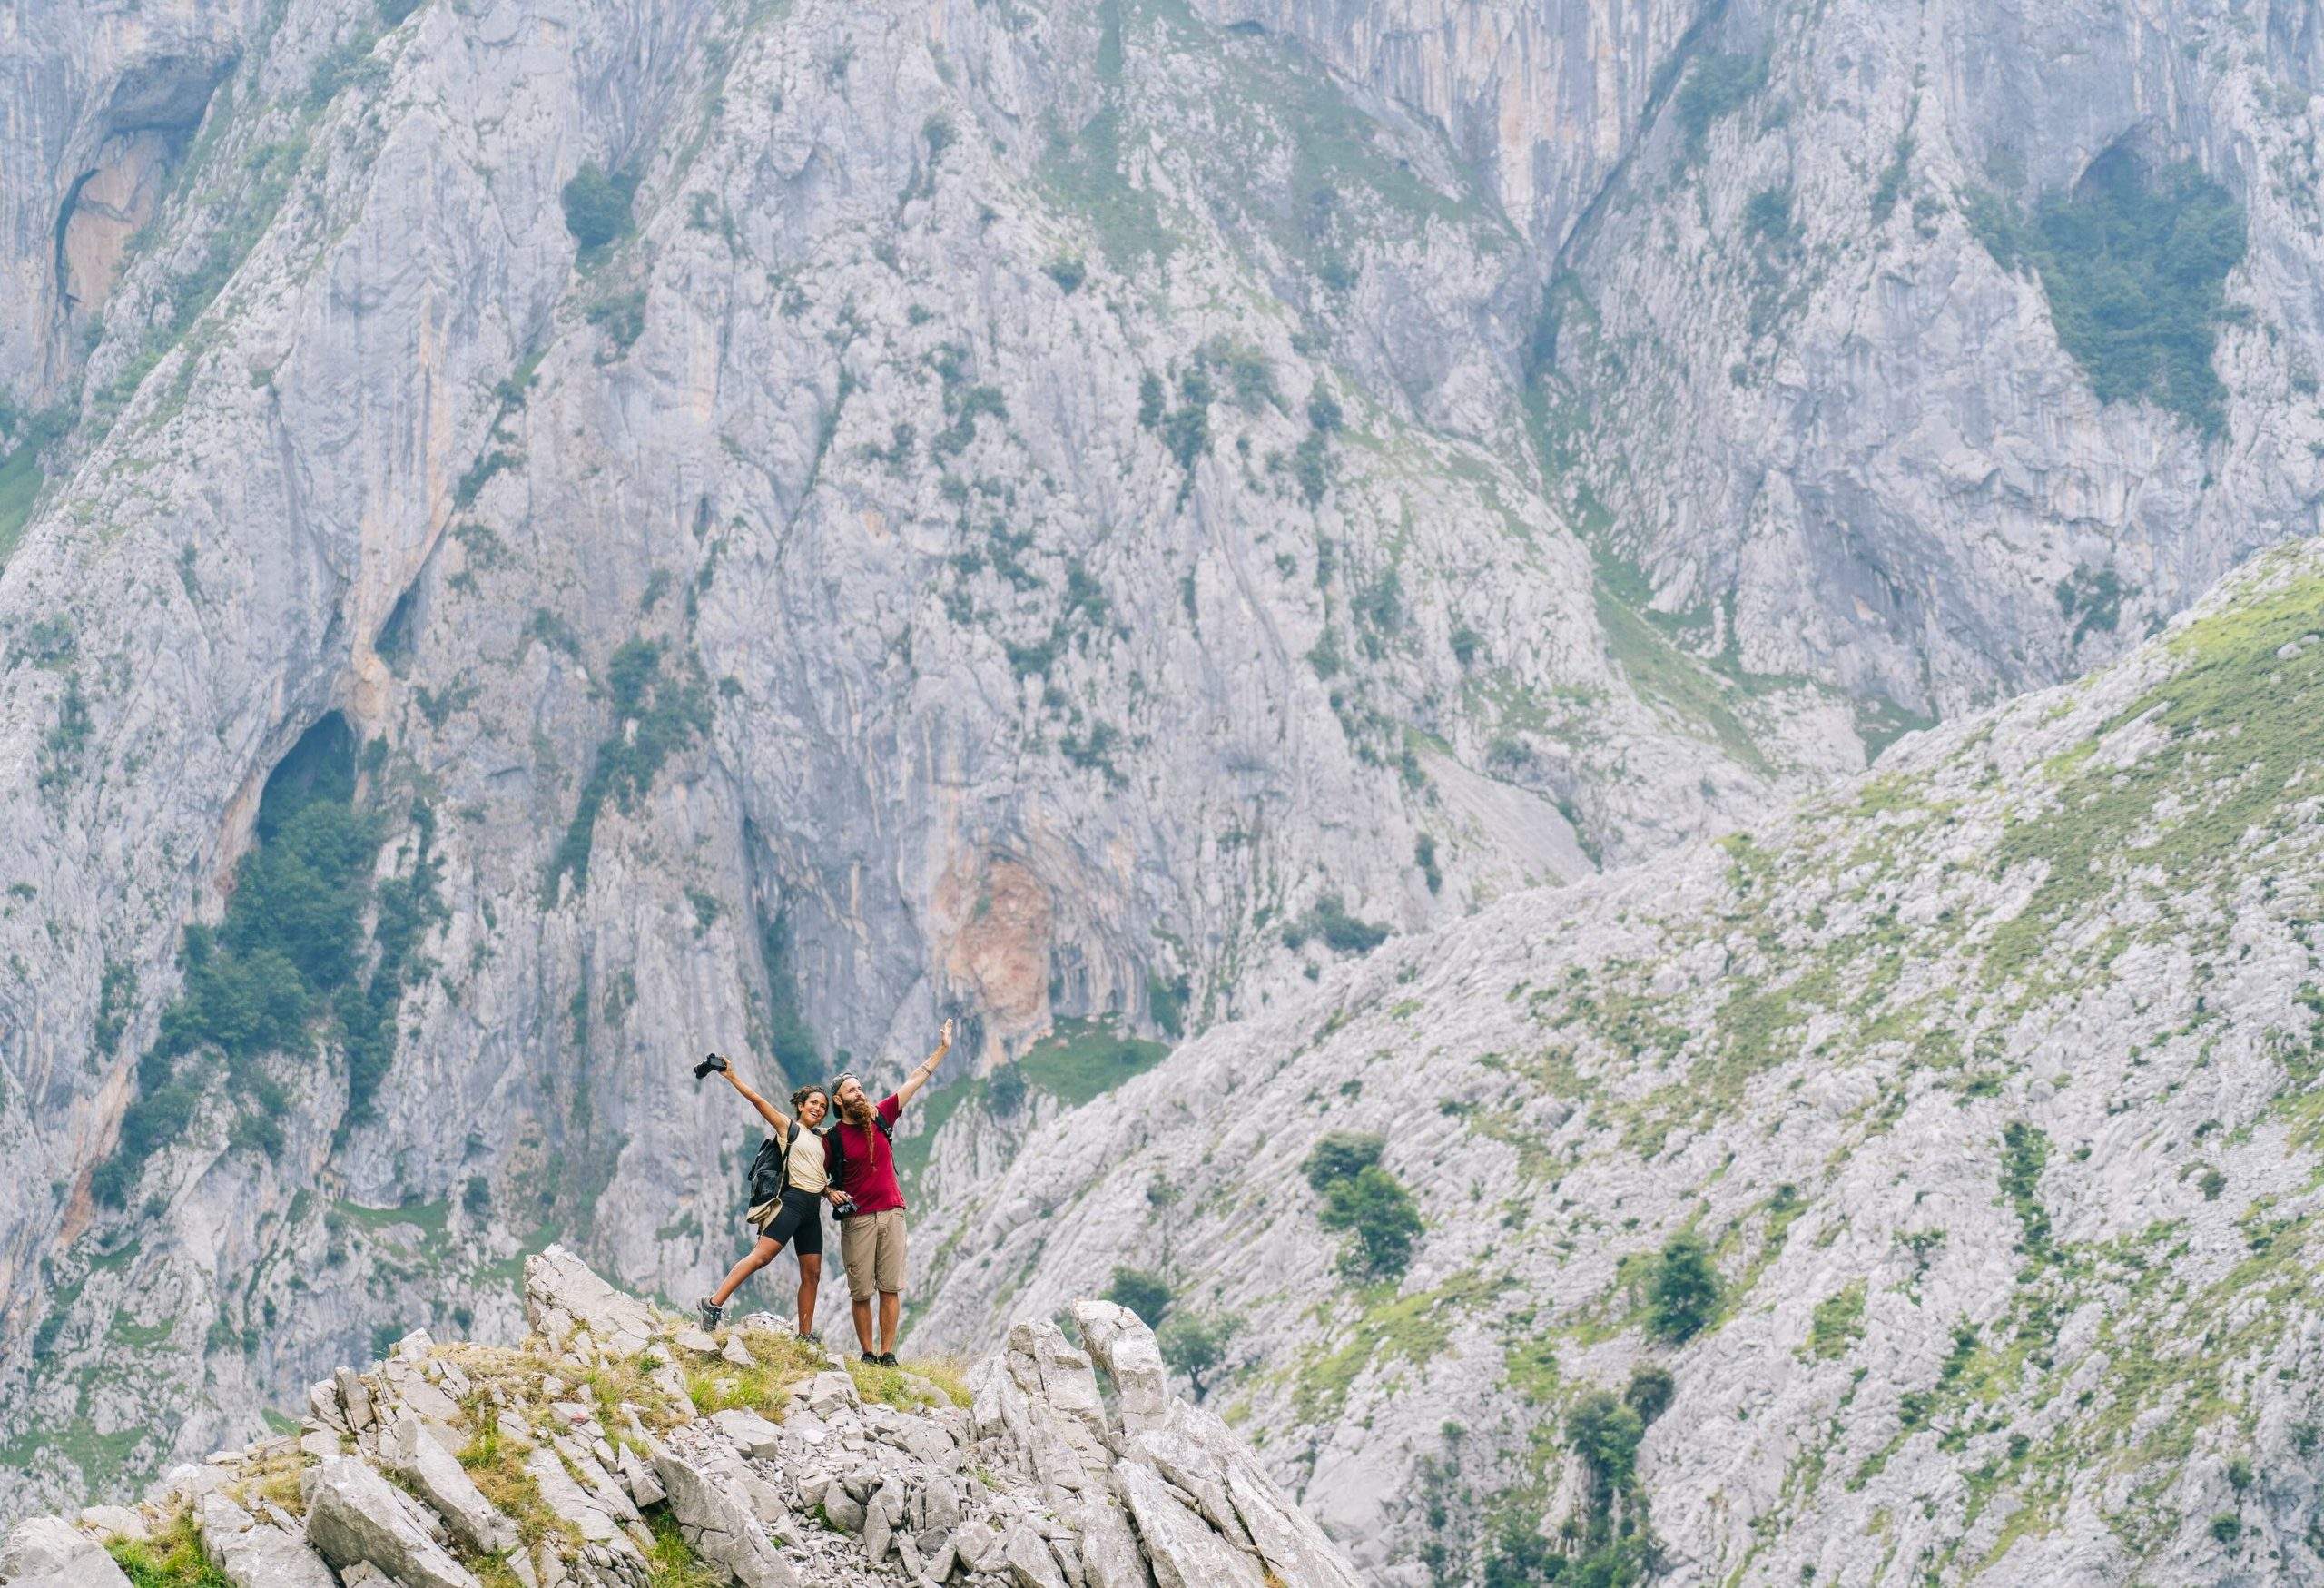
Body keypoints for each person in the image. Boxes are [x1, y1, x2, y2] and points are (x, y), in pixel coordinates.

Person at [826, 1018, 951, 1366]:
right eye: (852, 1090)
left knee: (891, 1287)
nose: (860, 1093)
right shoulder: (833, 1138)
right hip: (858, 1220)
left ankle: (887, 1354)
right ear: (838, 1100)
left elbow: (916, 1078)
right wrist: (828, 1192)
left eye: (861, 1088)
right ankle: (867, 1354)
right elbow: (816, 1175)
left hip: (892, 1213)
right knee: (861, 1291)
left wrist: (942, 1049)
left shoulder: (881, 1115)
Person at [695, 1060, 847, 1336]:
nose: (818, 1109)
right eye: (813, 1103)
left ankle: (805, 1335)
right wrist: (732, 1075)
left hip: (812, 1212)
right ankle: (712, 1303)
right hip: (790, 1204)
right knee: (760, 1258)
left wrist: (828, 1190)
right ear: (801, 1105)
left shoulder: (823, 1137)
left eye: (824, 1107)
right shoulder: (787, 1127)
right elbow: (756, 1100)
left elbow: (828, 1154)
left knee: (812, 1275)